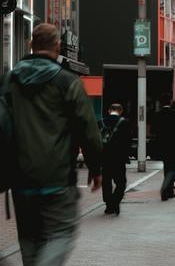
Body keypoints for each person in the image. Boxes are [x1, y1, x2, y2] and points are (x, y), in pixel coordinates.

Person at [3, 23, 102, 266]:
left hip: (20, 179)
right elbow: (88, 130)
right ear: (58, 46)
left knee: (29, 239)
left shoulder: (9, 82)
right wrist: (96, 168)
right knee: (61, 234)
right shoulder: (67, 82)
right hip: (57, 178)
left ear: (30, 45)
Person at [151, 92, 175, 201]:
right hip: (173, 144)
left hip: (161, 144)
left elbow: (153, 131)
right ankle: (166, 189)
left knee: (166, 166)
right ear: (170, 101)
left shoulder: (156, 115)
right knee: (173, 168)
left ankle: (169, 191)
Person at [100, 103, 131, 215]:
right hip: (119, 158)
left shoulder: (101, 122)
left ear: (109, 110)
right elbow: (128, 142)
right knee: (121, 182)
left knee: (106, 182)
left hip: (105, 157)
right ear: (121, 111)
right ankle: (116, 201)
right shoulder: (125, 123)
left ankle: (108, 205)